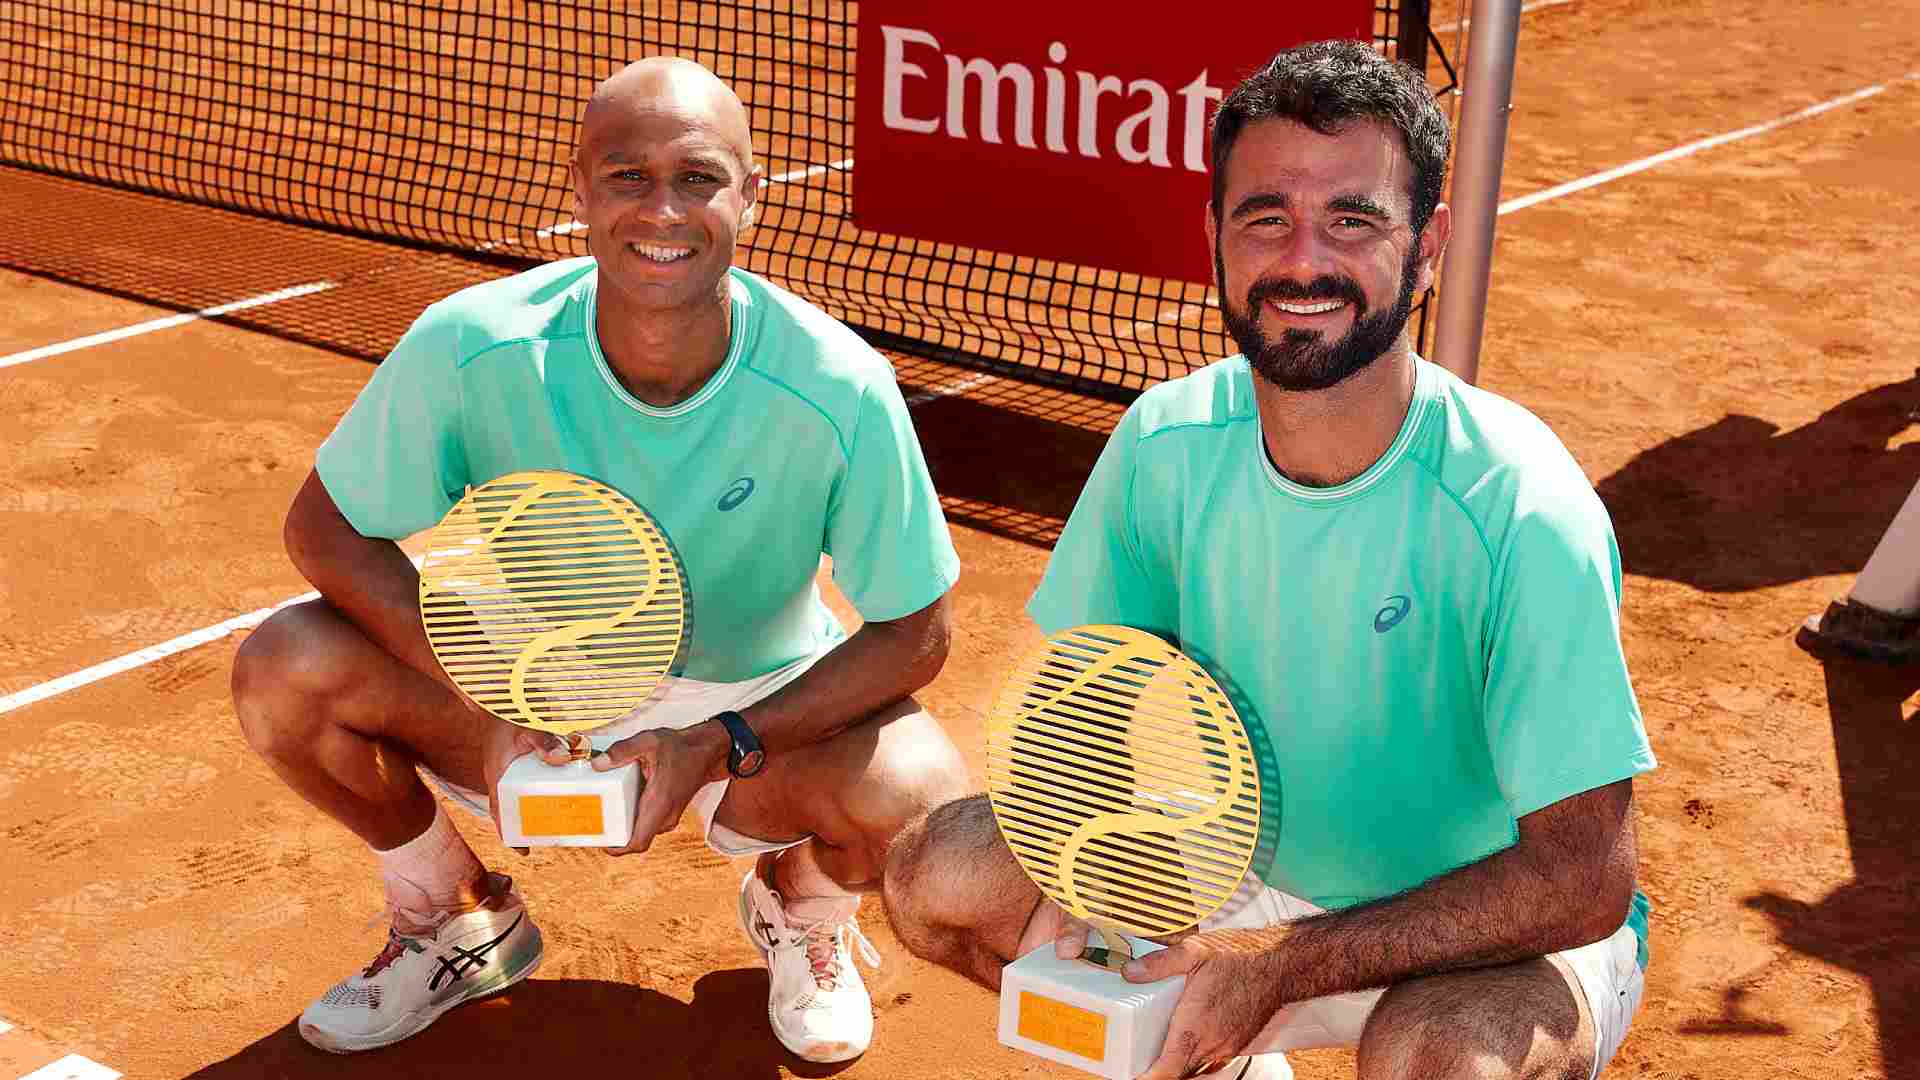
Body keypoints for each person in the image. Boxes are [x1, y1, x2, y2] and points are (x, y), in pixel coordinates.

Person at [883, 39, 1656, 1080]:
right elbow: (1089, 708)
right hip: (1240, 881)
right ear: (1214, 235)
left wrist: (1282, 968)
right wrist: (1097, 867)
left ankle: (1269, 1014)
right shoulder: (1163, 442)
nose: (1302, 261)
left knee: (1442, 1063)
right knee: (940, 878)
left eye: (1352, 219)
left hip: (1480, 928)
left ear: (1426, 249)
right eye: (1266, 217)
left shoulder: (1521, 506)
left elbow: (1582, 878)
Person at [231, 56, 970, 1063]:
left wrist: (724, 738)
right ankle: (456, 918)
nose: (662, 209)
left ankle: (799, 910)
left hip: (754, 700)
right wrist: (488, 694)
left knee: (921, 797)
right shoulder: (473, 344)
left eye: (699, 177)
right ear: (580, 191)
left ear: (752, 197)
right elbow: (324, 529)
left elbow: (917, 630)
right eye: (628, 175)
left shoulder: (837, 382)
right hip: (535, 681)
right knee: (285, 669)